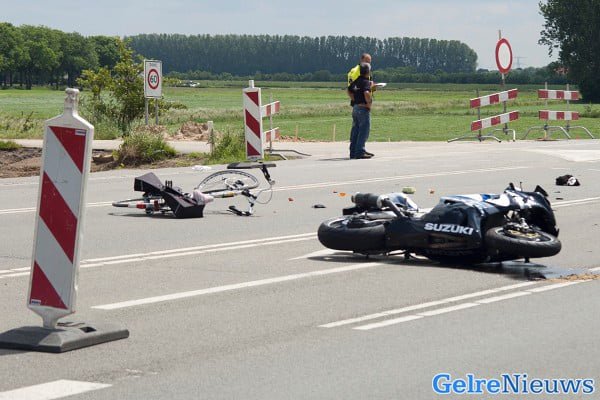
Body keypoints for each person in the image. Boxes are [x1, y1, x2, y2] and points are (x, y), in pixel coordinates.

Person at [348, 63, 373, 159]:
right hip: (363, 109)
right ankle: (360, 151)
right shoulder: (366, 82)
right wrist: (368, 104)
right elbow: (366, 92)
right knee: (364, 130)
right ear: (368, 72)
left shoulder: (357, 80)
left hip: (355, 108)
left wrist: (355, 100)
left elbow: (349, 90)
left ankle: (353, 151)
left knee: (356, 130)